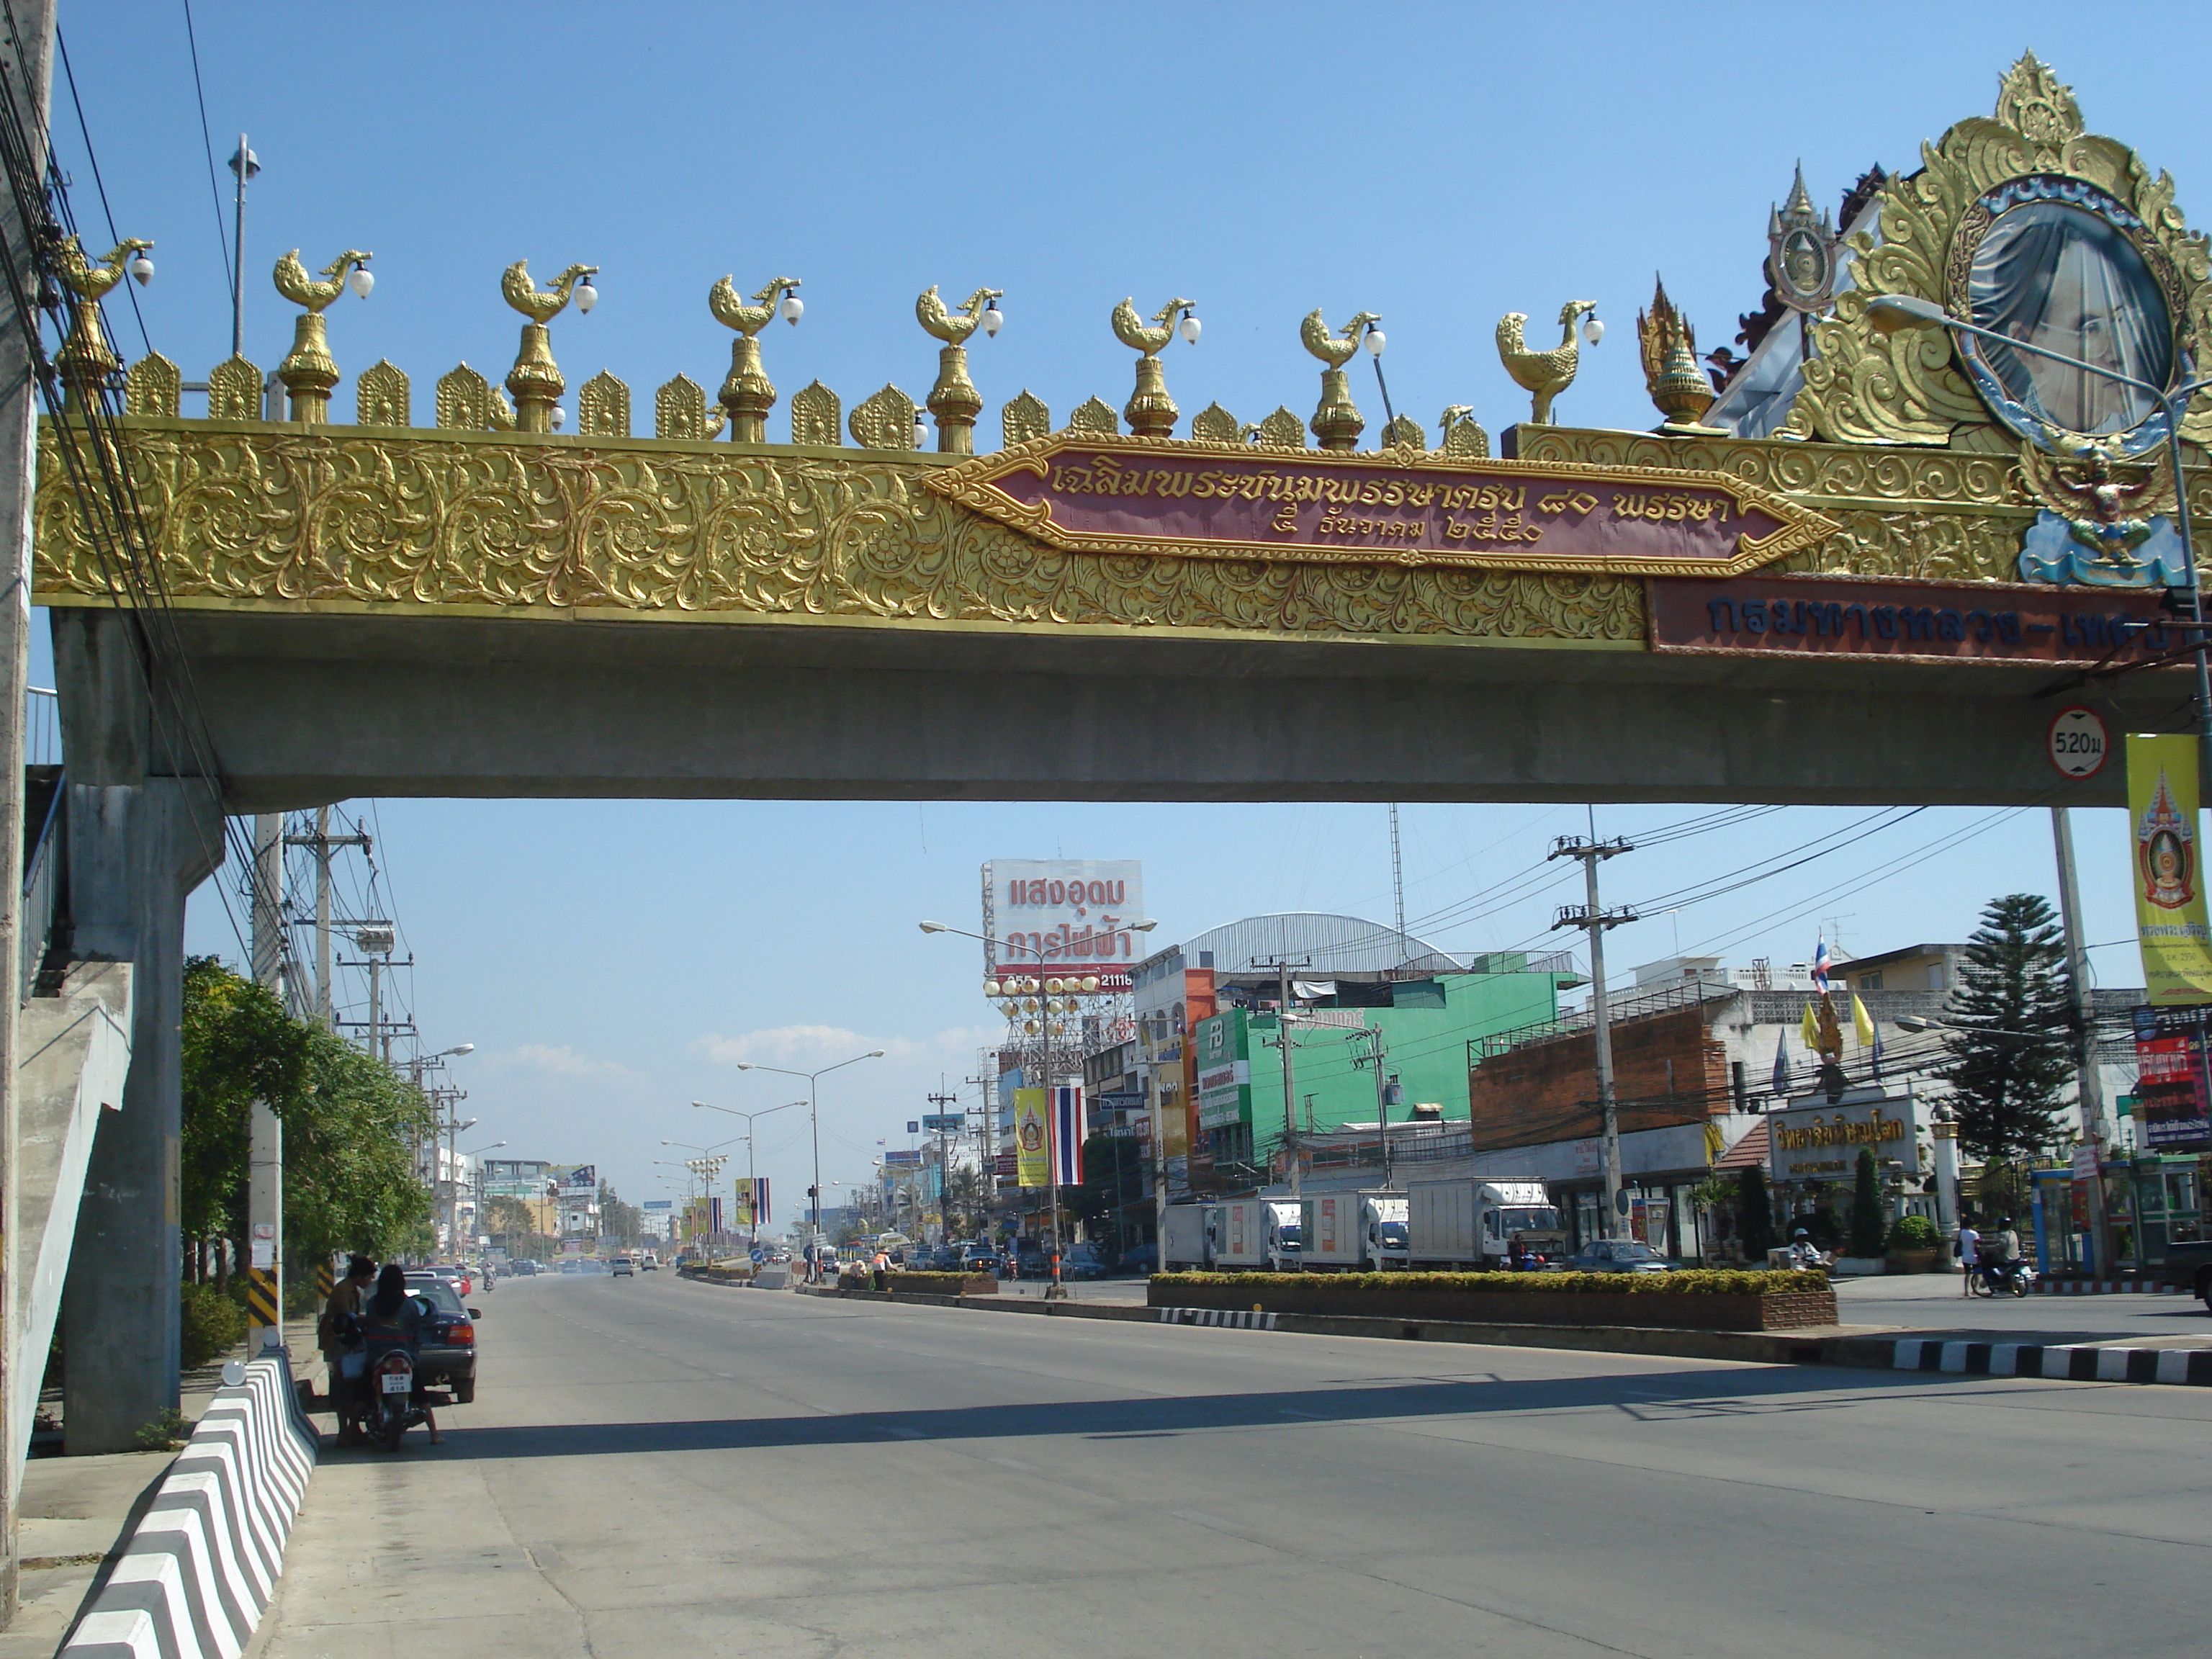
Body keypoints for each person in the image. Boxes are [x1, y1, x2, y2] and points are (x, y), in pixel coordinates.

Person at [359, 1262, 441, 1444]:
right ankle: (434, 1434)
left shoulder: (372, 1304)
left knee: (363, 1391)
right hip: (405, 1355)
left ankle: (350, 1432)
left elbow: (367, 1326)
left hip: (377, 1356)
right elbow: (417, 1331)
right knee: (419, 1393)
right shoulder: (410, 1305)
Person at [318, 1254, 378, 1446]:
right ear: (360, 1276)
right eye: (369, 1277)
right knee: (343, 1389)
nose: (371, 1281)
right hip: (338, 1344)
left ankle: (353, 1428)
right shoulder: (343, 1291)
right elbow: (348, 1318)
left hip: (348, 1345)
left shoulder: (353, 1290)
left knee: (353, 1388)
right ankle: (345, 1431)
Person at [1956, 1220, 1982, 1297]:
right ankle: (1975, 1289)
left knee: (1968, 1274)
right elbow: (1977, 1245)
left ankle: (1966, 1291)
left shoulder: (1962, 1232)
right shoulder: (1974, 1234)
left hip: (1965, 1256)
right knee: (1977, 1273)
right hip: (1974, 1256)